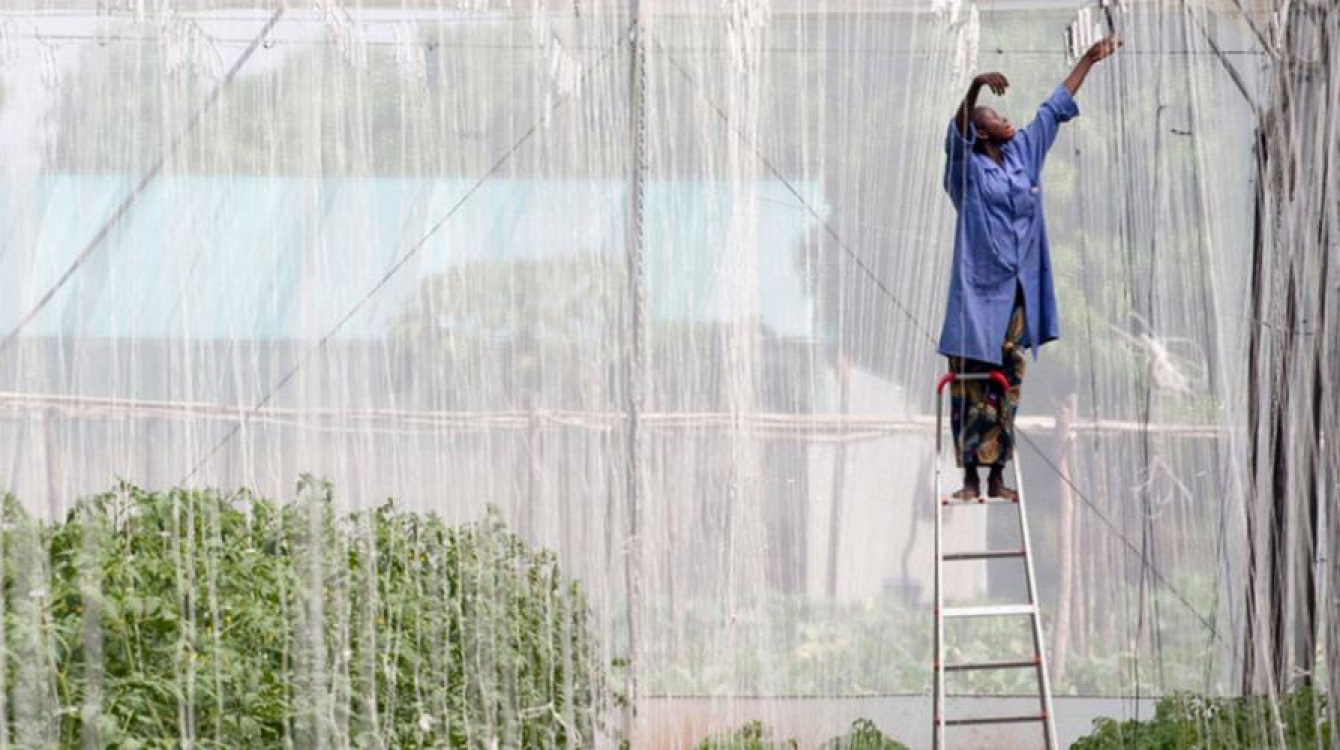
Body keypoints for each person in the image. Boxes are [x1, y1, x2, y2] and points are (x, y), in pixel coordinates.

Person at [938, 36, 1120, 500]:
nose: (1005, 119)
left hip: (1018, 294)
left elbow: (1052, 109)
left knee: (1007, 386)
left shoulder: (1023, 157)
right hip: (978, 297)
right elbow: (955, 139)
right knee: (971, 386)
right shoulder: (968, 171)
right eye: (995, 118)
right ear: (981, 132)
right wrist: (975, 87)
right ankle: (968, 479)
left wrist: (1088, 61)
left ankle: (997, 476)